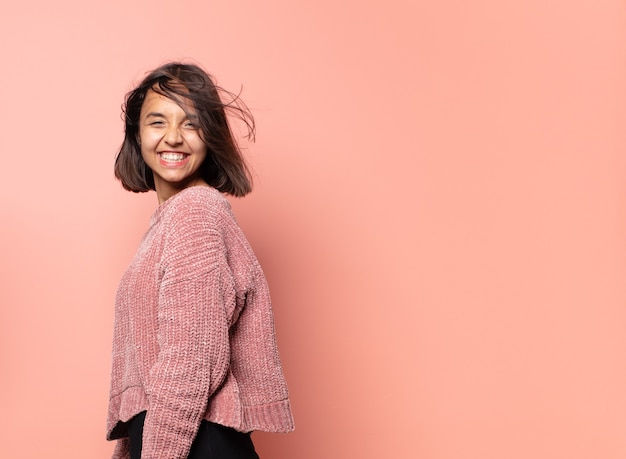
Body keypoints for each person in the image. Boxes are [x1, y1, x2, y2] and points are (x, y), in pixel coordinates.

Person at [106, 62, 294, 459]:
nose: (173, 137)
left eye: (190, 124)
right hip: (184, 441)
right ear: (136, 135)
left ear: (211, 137)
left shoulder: (195, 212)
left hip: (197, 445)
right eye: (158, 121)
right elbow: (150, 372)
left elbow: (190, 363)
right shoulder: (169, 221)